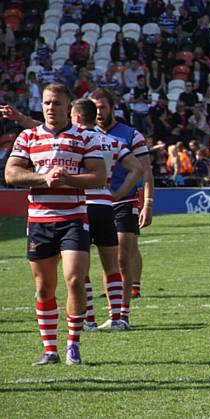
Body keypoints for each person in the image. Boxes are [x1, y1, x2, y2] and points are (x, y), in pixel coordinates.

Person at [3, 83, 107, 365]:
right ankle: (50, 350)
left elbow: (99, 176)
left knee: (74, 279)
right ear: (42, 105)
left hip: (74, 218)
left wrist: (67, 179)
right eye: (47, 103)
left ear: (68, 107)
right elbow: (11, 175)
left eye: (57, 103)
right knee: (44, 288)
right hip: (39, 221)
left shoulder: (85, 138)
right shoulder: (27, 137)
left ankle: (73, 345)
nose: (51, 108)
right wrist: (43, 178)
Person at [90, 88, 153, 318]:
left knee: (123, 253)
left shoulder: (130, 135)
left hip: (124, 201)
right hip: (95, 202)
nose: (97, 113)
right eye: (93, 108)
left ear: (112, 108)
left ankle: (122, 311)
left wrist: (148, 204)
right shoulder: (85, 134)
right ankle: (97, 311)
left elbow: (145, 171)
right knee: (97, 256)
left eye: (102, 107)